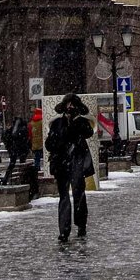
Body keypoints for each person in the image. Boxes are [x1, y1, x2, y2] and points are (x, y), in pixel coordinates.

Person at [45, 93, 95, 242]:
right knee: (64, 197)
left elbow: (88, 132)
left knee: (79, 194)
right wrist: (58, 139)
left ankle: (81, 225)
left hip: (77, 164)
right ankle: (64, 230)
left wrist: (75, 122)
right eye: (68, 104)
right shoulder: (57, 123)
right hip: (62, 164)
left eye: (73, 104)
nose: (70, 107)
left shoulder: (81, 122)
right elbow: (49, 144)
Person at [1, 115, 31, 184]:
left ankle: (6, 178)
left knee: (12, 164)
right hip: (22, 148)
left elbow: (7, 138)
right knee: (22, 164)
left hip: (14, 148)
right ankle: (23, 179)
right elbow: (26, 138)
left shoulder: (12, 129)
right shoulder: (23, 128)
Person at [29, 107, 44, 171]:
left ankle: (37, 167)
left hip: (34, 141)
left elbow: (30, 133)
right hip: (42, 141)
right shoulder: (42, 121)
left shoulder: (32, 122)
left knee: (36, 156)